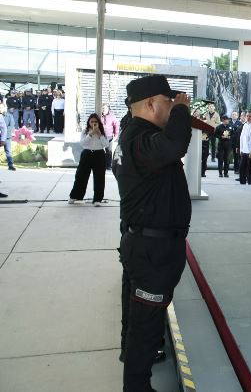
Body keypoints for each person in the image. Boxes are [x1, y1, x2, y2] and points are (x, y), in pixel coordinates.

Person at [117, 75, 191, 392]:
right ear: (150, 104)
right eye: (167, 101)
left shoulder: (135, 134)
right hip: (151, 252)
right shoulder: (140, 138)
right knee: (145, 328)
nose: (172, 107)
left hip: (147, 246)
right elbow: (175, 145)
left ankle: (134, 368)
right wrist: (182, 110)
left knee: (140, 323)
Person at [68, 113, 109, 206]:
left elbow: (106, 144)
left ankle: (97, 199)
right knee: (81, 176)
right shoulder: (85, 131)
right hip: (87, 154)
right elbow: (82, 143)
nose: (93, 123)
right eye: (92, 121)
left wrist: (99, 134)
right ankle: (75, 196)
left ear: (98, 122)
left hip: (99, 154)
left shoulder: (102, 131)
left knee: (99, 178)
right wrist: (90, 134)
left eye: (95, 121)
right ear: (89, 122)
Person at [101, 103, 120, 170]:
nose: (103, 110)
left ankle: (108, 165)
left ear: (108, 109)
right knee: (100, 151)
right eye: (102, 108)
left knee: (109, 151)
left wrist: (116, 134)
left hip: (109, 136)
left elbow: (116, 125)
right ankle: (101, 164)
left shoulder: (112, 116)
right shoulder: (99, 115)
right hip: (100, 136)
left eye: (105, 108)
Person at [0, 102, 16, 170]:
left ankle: (10, 165)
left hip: (7, 137)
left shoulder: (9, 116)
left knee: (8, 151)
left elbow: (11, 126)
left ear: (5, 108)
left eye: (1, 107)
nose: (0, 109)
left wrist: (4, 134)